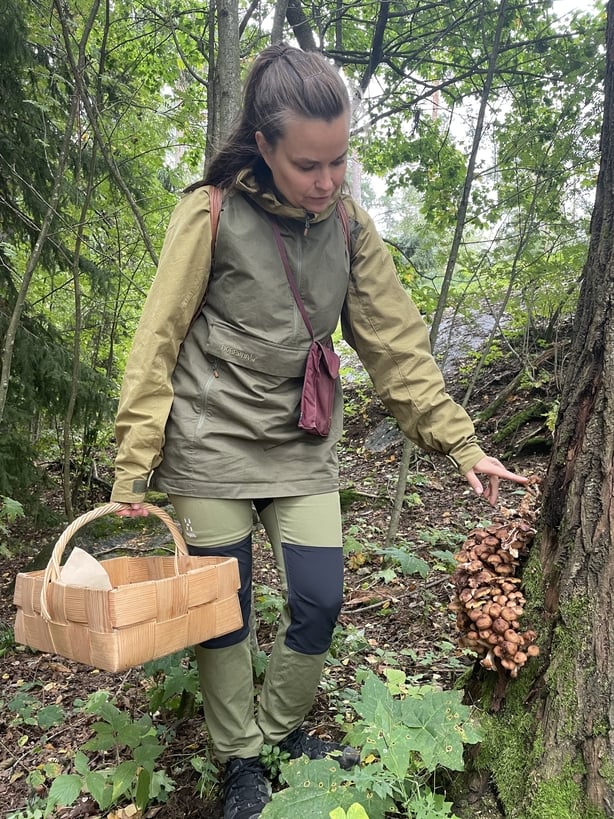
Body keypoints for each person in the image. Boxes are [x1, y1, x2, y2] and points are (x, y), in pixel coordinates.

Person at [111, 43, 528, 819]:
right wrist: (133, 464)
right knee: (224, 610)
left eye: (339, 160)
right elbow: (156, 340)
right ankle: (239, 758)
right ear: (264, 147)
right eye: (309, 164)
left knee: (319, 598)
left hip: (303, 445)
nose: (328, 180)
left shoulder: (349, 227)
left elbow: (395, 343)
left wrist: (461, 441)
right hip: (212, 449)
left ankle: (276, 731)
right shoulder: (208, 214)